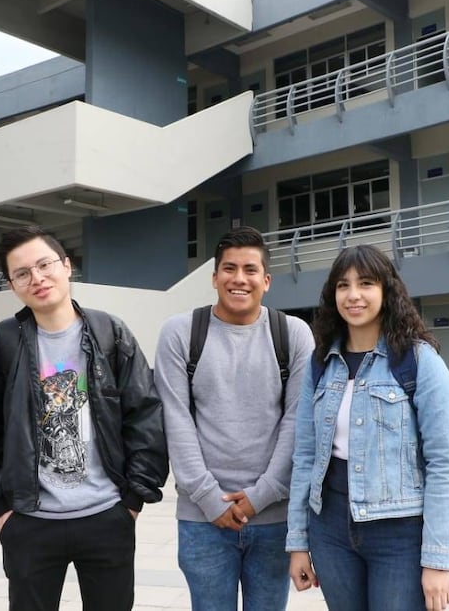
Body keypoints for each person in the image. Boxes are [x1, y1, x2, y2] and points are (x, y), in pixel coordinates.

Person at [0, 225, 167, 611]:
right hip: (29, 520)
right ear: (12, 285)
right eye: (22, 273)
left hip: (107, 516)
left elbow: (145, 416)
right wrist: (1, 511)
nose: (37, 278)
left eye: (45, 265)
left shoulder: (110, 332)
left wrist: (132, 500)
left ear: (67, 265)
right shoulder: (3, 341)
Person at [287, 245, 449, 611]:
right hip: (329, 528)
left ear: (387, 291)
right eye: (343, 285)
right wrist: (298, 541)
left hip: (399, 533)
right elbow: (304, 456)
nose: (353, 295)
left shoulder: (418, 361)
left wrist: (437, 560)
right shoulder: (320, 364)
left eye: (366, 283)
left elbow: (444, 465)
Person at [154, 226, 314, 611]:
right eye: (229, 268)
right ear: (214, 277)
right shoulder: (181, 333)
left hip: (274, 519)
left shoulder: (293, 334)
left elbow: (297, 423)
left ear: (267, 280)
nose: (239, 279)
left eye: (250, 269)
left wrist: (260, 497)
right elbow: (176, 422)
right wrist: (211, 499)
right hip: (202, 521)